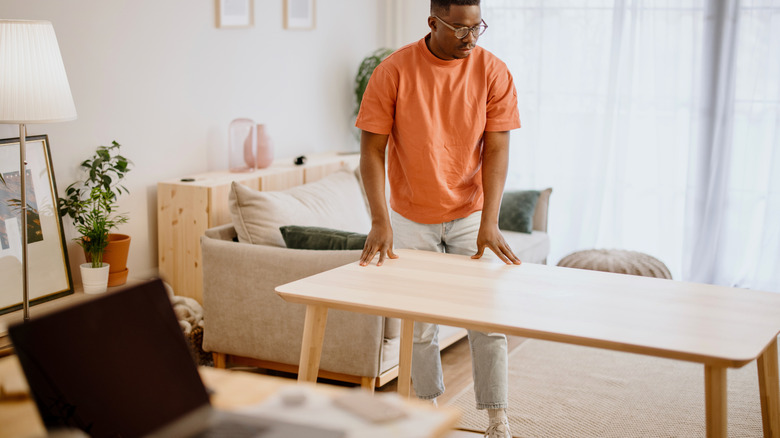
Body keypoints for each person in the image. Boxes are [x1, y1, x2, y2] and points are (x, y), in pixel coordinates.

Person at [354, 1, 521, 437]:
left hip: (470, 213)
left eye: (477, 27)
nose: (471, 38)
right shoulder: (393, 71)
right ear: (433, 23)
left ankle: (496, 417)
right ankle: (425, 410)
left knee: (486, 321)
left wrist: (490, 218)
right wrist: (379, 220)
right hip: (410, 216)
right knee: (419, 324)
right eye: (461, 29)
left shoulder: (493, 71)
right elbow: (371, 151)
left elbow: (497, 148)